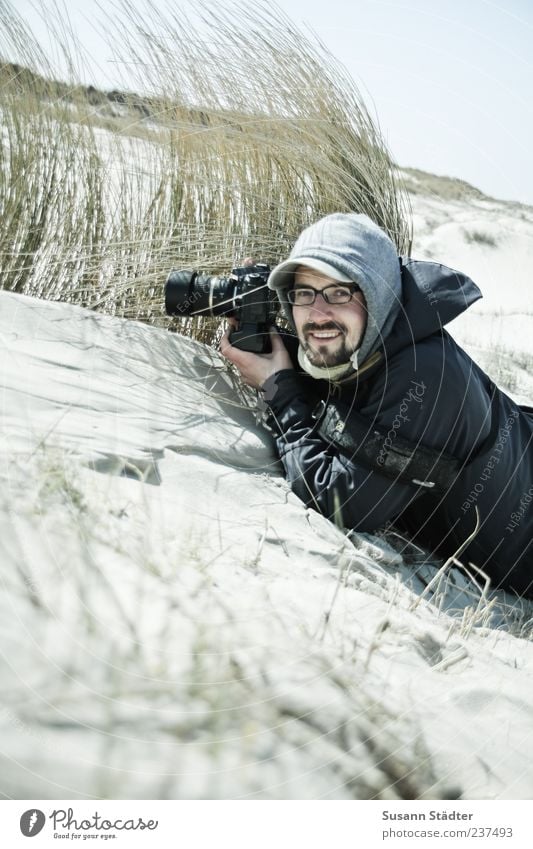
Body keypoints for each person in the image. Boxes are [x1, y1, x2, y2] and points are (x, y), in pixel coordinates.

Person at [221, 213, 533, 598]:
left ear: (378, 294)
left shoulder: (425, 375)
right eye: (304, 293)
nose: (318, 314)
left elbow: (346, 503)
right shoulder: (375, 339)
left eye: (339, 293)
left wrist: (277, 389)